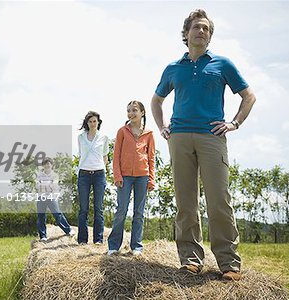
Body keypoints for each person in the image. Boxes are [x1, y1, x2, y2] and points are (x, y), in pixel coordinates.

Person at [151, 9, 256, 281]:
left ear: (210, 36)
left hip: (212, 138)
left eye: (206, 29)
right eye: (197, 27)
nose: (201, 31)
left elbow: (249, 96)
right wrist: (163, 126)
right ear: (186, 34)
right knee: (185, 202)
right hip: (180, 138)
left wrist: (234, 123)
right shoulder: (173, 68)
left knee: (219, 200)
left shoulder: (223, 64)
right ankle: (190, 260)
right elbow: (156, 100)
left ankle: (229, 263)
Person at [107, 101, 155, 256]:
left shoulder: (149, 134)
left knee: (139, 213)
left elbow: (151, 158)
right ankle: (114, 246)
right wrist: (117, 175)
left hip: (142, 176)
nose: (131, 113)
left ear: (142, 112)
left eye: (134, 110)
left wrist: (151, 178)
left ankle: (137, 247)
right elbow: (116, 156)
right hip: (125, 177)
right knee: (121, 211)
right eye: (128, 111)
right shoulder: (122, 131)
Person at [77, 111, 109, 244]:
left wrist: (100, 168)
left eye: (94, 121)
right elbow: (81, 154)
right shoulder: (81, 137)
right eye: (90, 121)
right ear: (87, 123)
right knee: (83, 209)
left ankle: (98, 240)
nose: (92, 123)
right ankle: (82, 240)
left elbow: (105, 156)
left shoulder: (104, 137)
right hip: (84, 174)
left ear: (98, 122)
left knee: (98, 208)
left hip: (99, 174)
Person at [36, 157, 75, 241]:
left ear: (51, 165)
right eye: (45, 164)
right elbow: (37, 186)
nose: (47, 165)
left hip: (51, 197)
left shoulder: (55, 175)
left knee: (57, 214)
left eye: (48, 164)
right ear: (43, 166)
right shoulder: (39, 175)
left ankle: (69, 230)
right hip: (41, 197)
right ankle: (43, 236)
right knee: (41, 216)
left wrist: (43, 184)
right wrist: (48, 184)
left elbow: (54, 186)